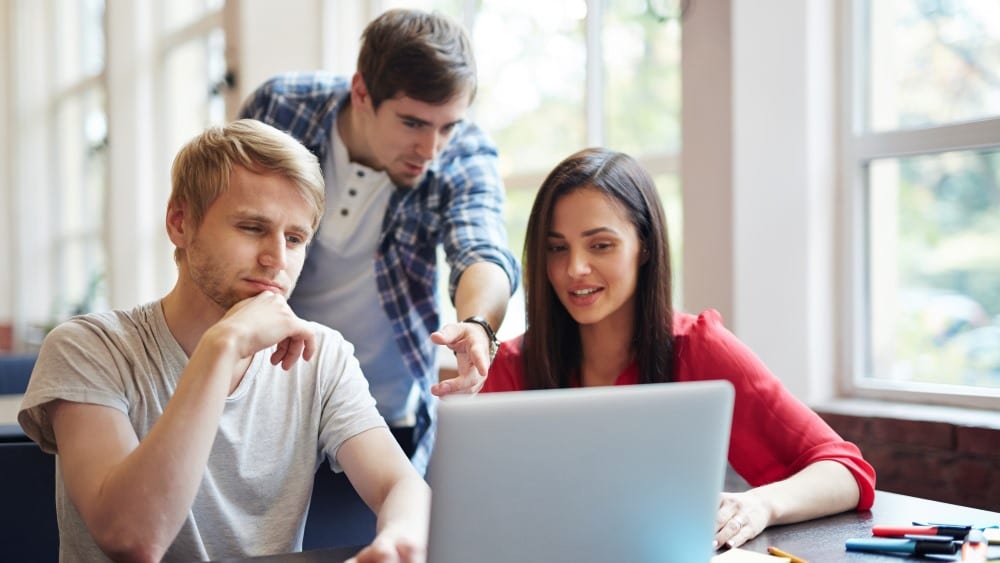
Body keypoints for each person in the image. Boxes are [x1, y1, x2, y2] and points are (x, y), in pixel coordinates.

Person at [18, 120, 429, 562]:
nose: (276, 259)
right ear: (180, 223)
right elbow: (133, 538)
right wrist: (225, 344)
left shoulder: (322, 356)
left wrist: (397, 539)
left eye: (295, 238)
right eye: (252, 227)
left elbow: (400, 486)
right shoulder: (88, 347)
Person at [480, 147, 877, 550]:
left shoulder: (699, 348)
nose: (574, 268)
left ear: (645, 246)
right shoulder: (510, 369)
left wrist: (760, 505)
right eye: (557, 248)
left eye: (600, 245)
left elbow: (847, 471)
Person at [238, 8, 519, 474]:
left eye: (446, 126)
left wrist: (478, 324)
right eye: (412, 123)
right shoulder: (280, 110)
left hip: (379, 417)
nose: (430, 150)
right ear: (362, 92)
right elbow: (221, 230)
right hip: (262, 404)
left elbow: (482, 247)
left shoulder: (463, 152)